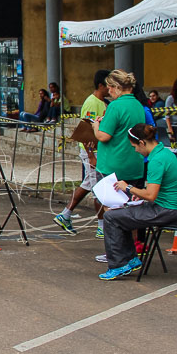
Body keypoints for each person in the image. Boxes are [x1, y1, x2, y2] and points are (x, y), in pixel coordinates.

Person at [97, 123, 177, 280]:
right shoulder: (165, 153)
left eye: (135, 146)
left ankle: (118, 264)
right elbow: (153, 192)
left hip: (165, 209)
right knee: (119, 215)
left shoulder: (156, 161)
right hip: (168, 206)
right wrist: (140, 194)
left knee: (110, 217)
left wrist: (128, 187)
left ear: (142, 143)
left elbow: (151, 195)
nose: (136, 150)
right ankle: (129, 259)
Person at [54, 70, 110, 236]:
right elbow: (85, 131)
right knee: (97, 187)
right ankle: (101, 226)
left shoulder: (103, 102)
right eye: (108, 85)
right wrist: (91, 155)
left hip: (97, 150)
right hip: (92, 150)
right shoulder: (92, 103)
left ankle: (66, 214)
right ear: (101, 85)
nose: (110, 89)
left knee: (89, 184)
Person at [93, 70, 147, 223]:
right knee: (132, 208)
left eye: (110, 87)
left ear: (117, 87)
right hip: (134, 164)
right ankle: (134, 244)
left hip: (112, 165)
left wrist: (96, 125)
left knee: (111, 209)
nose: (108, 91)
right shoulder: (137, 105)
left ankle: (115, 245)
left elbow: (103, 136)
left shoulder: (115, 106)